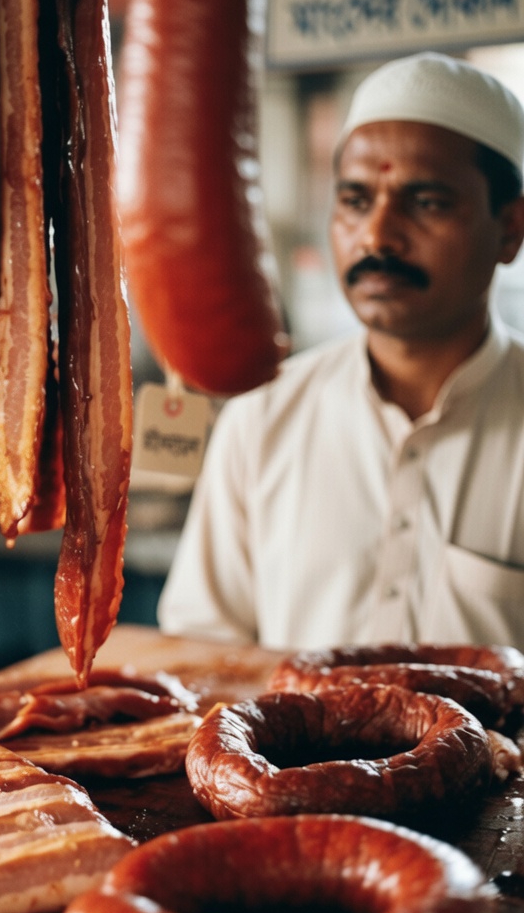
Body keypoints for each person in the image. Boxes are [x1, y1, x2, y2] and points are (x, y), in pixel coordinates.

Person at [157, 50, 524, 650]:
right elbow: (203, 655)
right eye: (355, 201)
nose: (377, 235)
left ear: (509, 227)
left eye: (427, 203)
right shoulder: (264, 417)